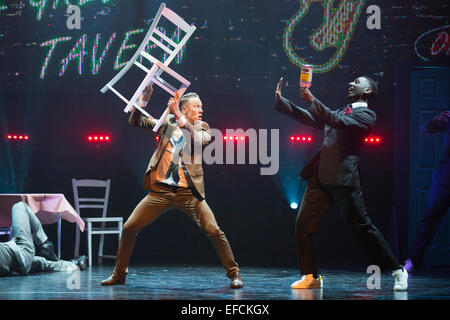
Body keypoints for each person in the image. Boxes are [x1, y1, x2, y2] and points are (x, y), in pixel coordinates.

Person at [101, 85, 243, 289]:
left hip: (189, 193)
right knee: (129, 227)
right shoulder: (167, 123)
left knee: (213, 230)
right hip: (161, 191)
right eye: (196, 106)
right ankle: (119, 274)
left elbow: (198, 141)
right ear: (185, 108)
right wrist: (144, 99)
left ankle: (234, 273)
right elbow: (136, 121)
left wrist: (178, 114)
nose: (201, 110)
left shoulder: (202, 127)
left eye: (201, 106)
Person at [274, 76, 408, 290]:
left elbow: (337, 122)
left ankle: (397, 270)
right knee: (303, 225)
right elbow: (311, 118)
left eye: (357, 82)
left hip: (343, 179)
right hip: (320, 176)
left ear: (367, 91)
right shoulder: (339, 110)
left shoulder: (366, 115)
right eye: (351, 81)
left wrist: (312, 98)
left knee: (363, 227)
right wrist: (283, 102)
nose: (351, 83)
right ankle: (311, 276)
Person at [404, 111, 450, 272]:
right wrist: (433, 121)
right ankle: (413, 260)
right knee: (430, 218)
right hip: (445, 178)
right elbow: (426, 129)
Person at [0, 202, 86, 276]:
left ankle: (73, 265)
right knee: (20, 206)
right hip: (20, 252)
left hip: (15, 266)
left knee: (41, 263)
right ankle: (46, 247)